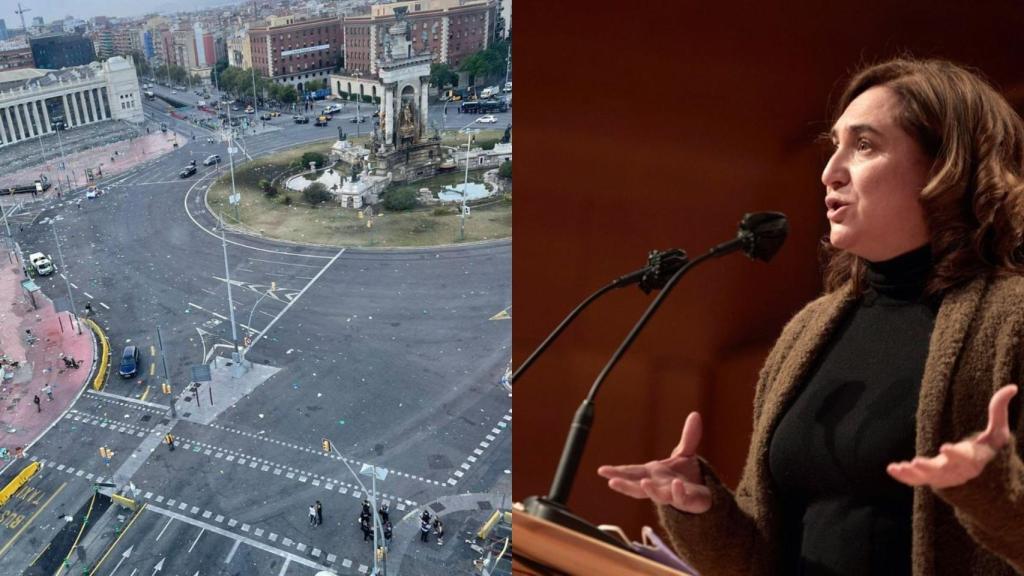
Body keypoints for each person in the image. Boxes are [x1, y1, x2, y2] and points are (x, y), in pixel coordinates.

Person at [597, 58, 1024, 576]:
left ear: (946, 167)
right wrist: (702, 511)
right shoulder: (809, 330)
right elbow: (759, 557)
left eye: (864, 146)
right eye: (834, 146)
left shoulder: (1010, 321)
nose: (829, 172)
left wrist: (994, 495)